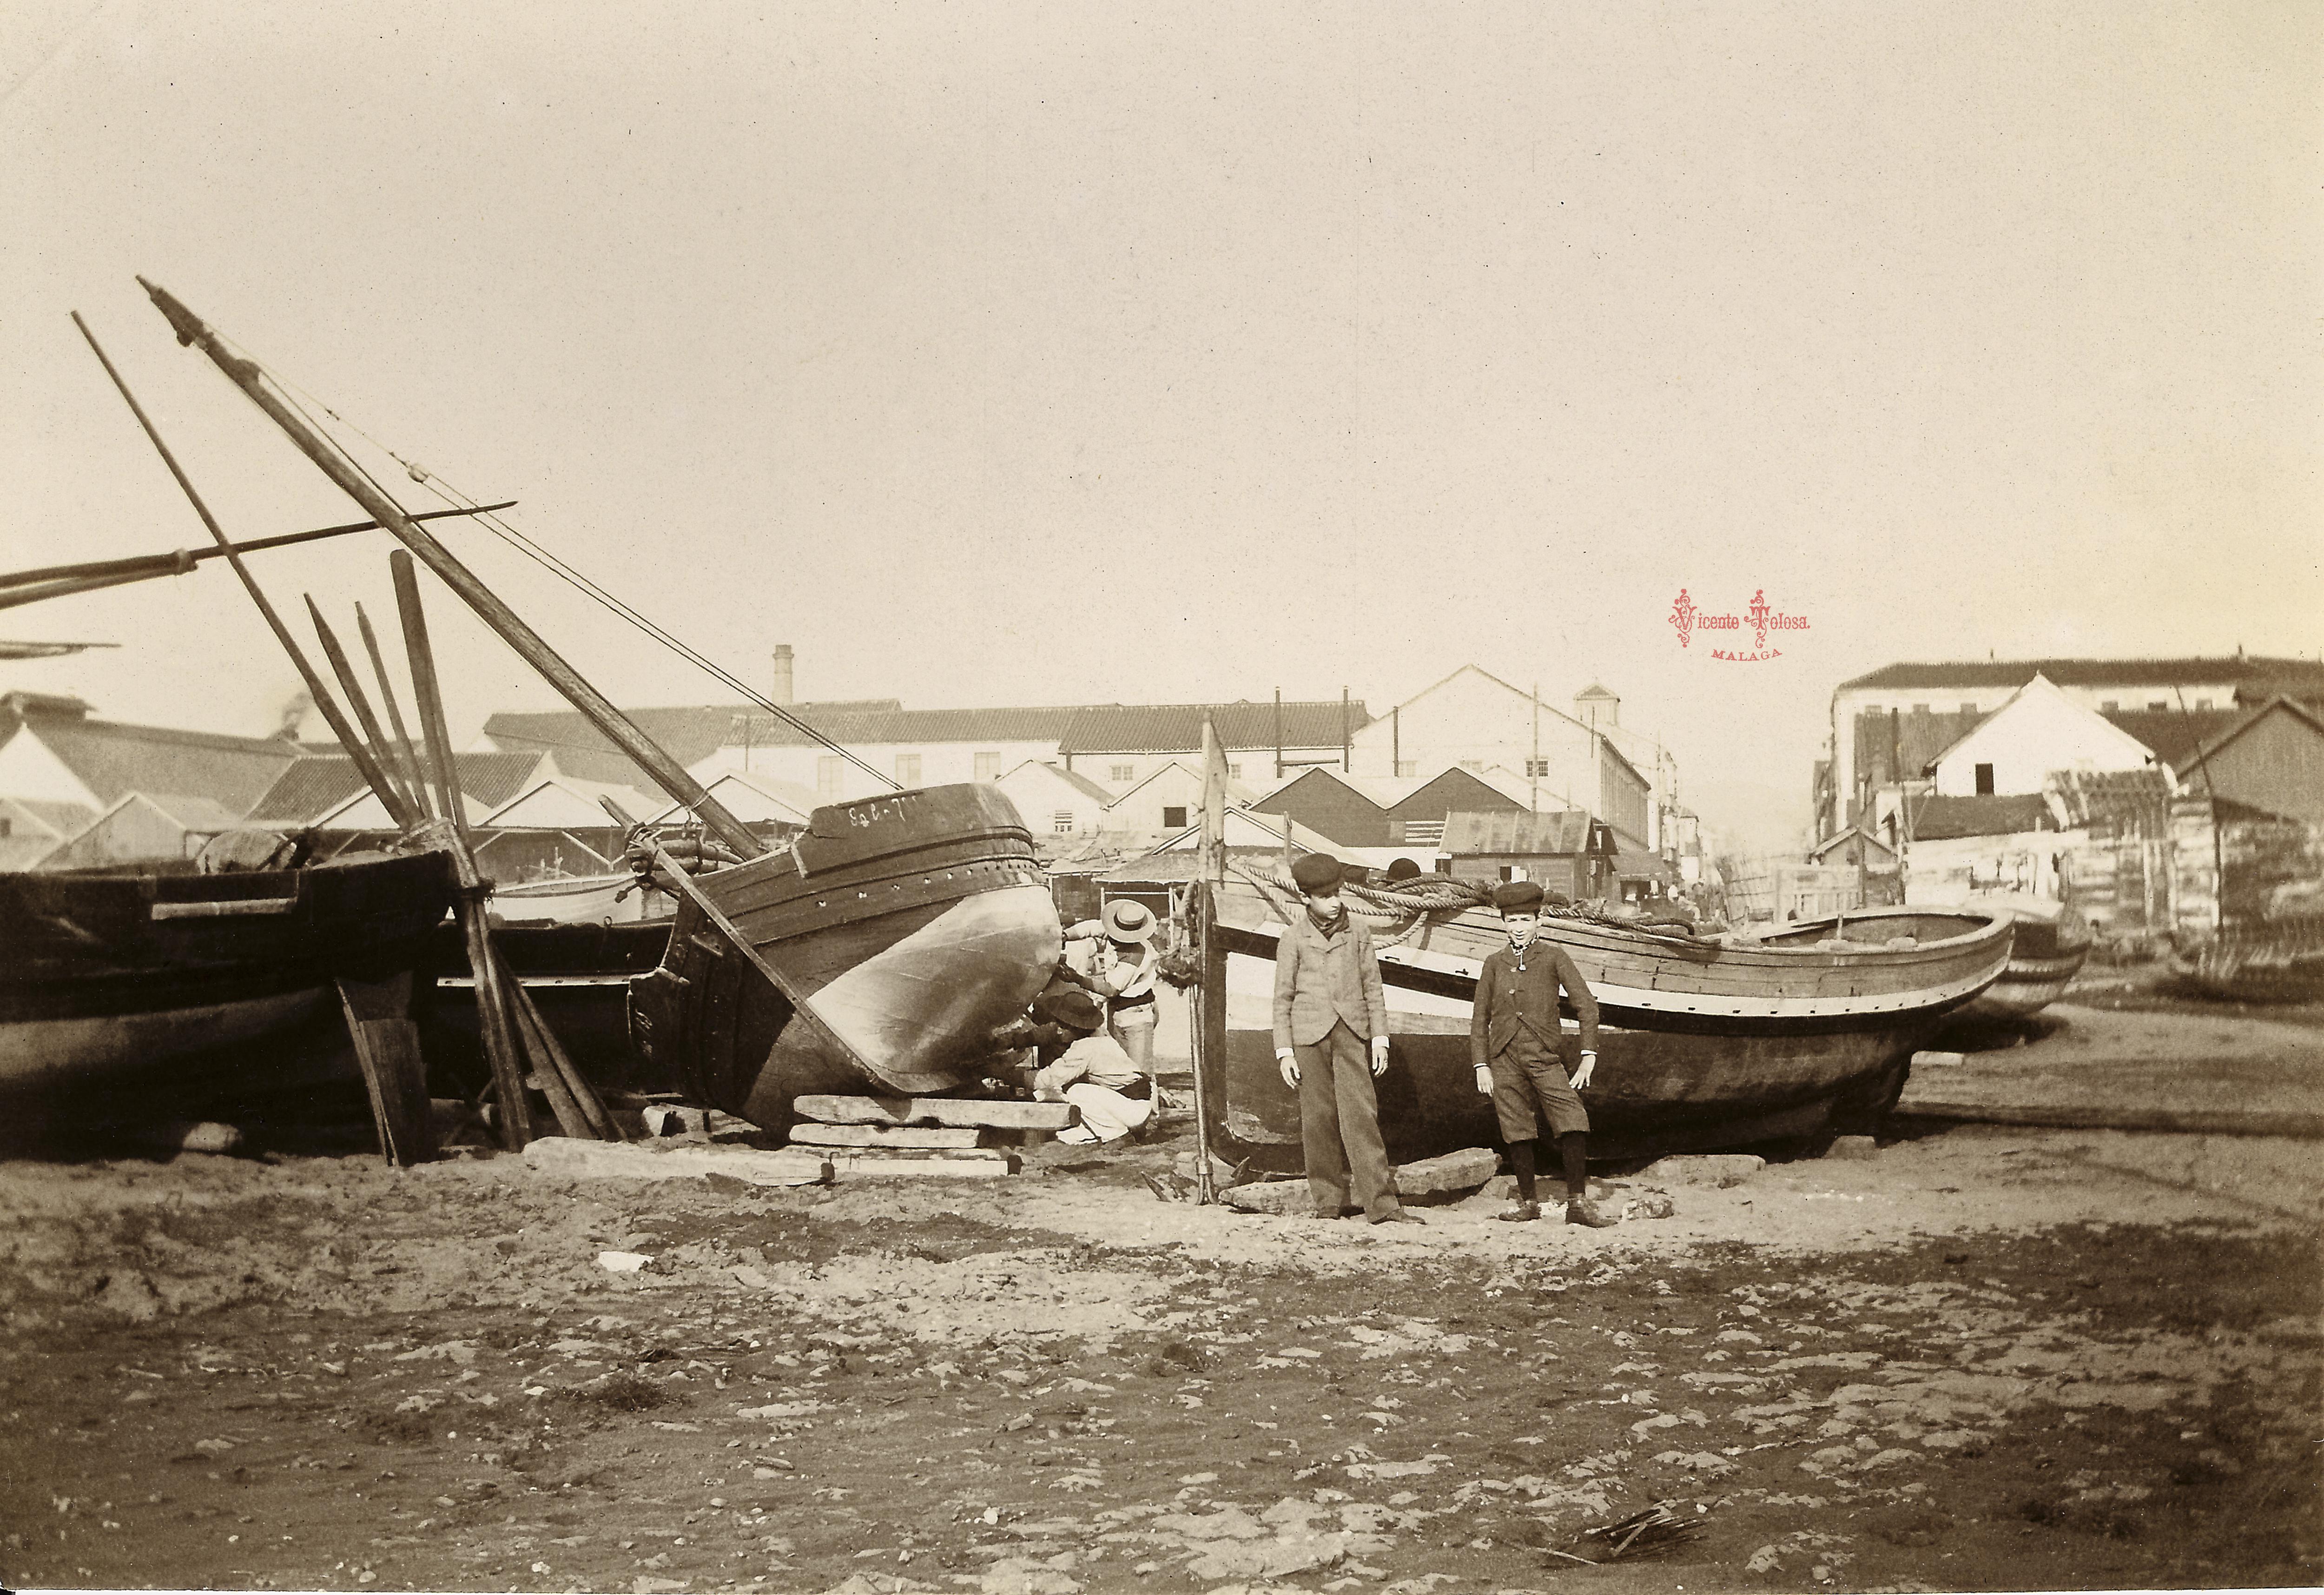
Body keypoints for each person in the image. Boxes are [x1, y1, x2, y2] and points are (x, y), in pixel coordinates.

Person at [1272, 852, 1422, 1225]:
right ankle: (1328, 1201)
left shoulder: (1358, 932)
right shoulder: (1293, 937)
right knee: (1318, 1119)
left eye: (1337, 893)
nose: (1334, 901)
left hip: (1352, 1032)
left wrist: (1381, 1038)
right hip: (1308, 1036)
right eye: (1324, 896)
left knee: (1362, 1116)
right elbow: (1282, 998)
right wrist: (1284, 1051)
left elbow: (1373, 988)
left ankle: (1382, 1205)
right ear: (1306, 897)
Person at [1470, 880, 1617, 1226]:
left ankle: (1577, 1203)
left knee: (1572, 1119)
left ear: (1539, 921)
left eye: (1524, 920)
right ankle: (1529, 1203)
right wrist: (1481, 1064)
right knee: (1515, 1126)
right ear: (1503, 923)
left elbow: (1587, 1006)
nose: (1518, 928)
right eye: (1511, 921)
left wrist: (1588, 1054)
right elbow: (1479, 1017)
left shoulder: (1554, 957)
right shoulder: (1494, 962)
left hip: (1544, 1054)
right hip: (1503, 1056)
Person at [1030, 987, 1154, 1145]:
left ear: (1077, 1028)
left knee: (1077, 1091)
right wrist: (1018, 1040)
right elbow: (1051, 1032)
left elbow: (1046, 1080)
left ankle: (1118, 1136)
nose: (1059, 1031)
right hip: (1134, 1105)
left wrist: (1007, 1074)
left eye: (1063, 1027)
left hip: (1133, 1109)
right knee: (1069, 1136)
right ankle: (1121, 1129)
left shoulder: (1085, 1048)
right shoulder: (1100, 1034)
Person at [1093, 898, 1163, 1073]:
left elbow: (1111, 988)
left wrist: (1079, 979)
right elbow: (1091, 928)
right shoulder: (1115, 937)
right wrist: (1067, 935)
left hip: (1137, 1015)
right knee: (1119, 1068)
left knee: (1140, 1072)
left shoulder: (1137, 954)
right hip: (1116, 1012)